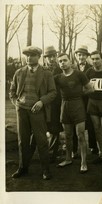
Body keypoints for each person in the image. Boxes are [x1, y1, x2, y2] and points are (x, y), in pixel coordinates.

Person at [9, 46, 56, 180]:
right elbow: (12, 91)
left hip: (37, 111)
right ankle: (23, 168)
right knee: (22, 141)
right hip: (22, 111)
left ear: (38, 57)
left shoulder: (46, 73)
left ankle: (46, 170)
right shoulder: (19, 72)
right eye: (27, 55)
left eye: (32, 55)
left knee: (41, 141)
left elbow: (53, 92)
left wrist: (41, 102)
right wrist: (16, 103)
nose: (29, 58)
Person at [55, 53, 93, 173]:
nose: (62, 63)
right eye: (60, 61)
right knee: (67, 136)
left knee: (80, 135)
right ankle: (68, 159)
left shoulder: (79, 74)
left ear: (70, 61)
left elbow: (91, 89)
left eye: (65, 60)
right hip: (65, 106)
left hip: (78, 105)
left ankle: (83, 162)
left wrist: (79, 95)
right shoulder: (58, 77)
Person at [74, 45, 99, 157]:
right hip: (75, 99)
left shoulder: (91, 68)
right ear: (76, 56)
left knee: (91, 123)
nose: (81, 57)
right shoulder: (72, 68)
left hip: (88, 99)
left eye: (84, 55)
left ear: (87, 56)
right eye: (79, 55)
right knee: (75, 123)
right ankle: (74, 149)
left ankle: (93, 146)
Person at [43, 45, 63, 162]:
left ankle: (52, 154)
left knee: (55, 129)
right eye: (48, 57)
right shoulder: (41, 70)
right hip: (44, 103)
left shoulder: (61, 69)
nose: (51, 59)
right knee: (43, 128)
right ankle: (44, 152)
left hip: (57, 104)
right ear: (45, 58)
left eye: (53, 56)